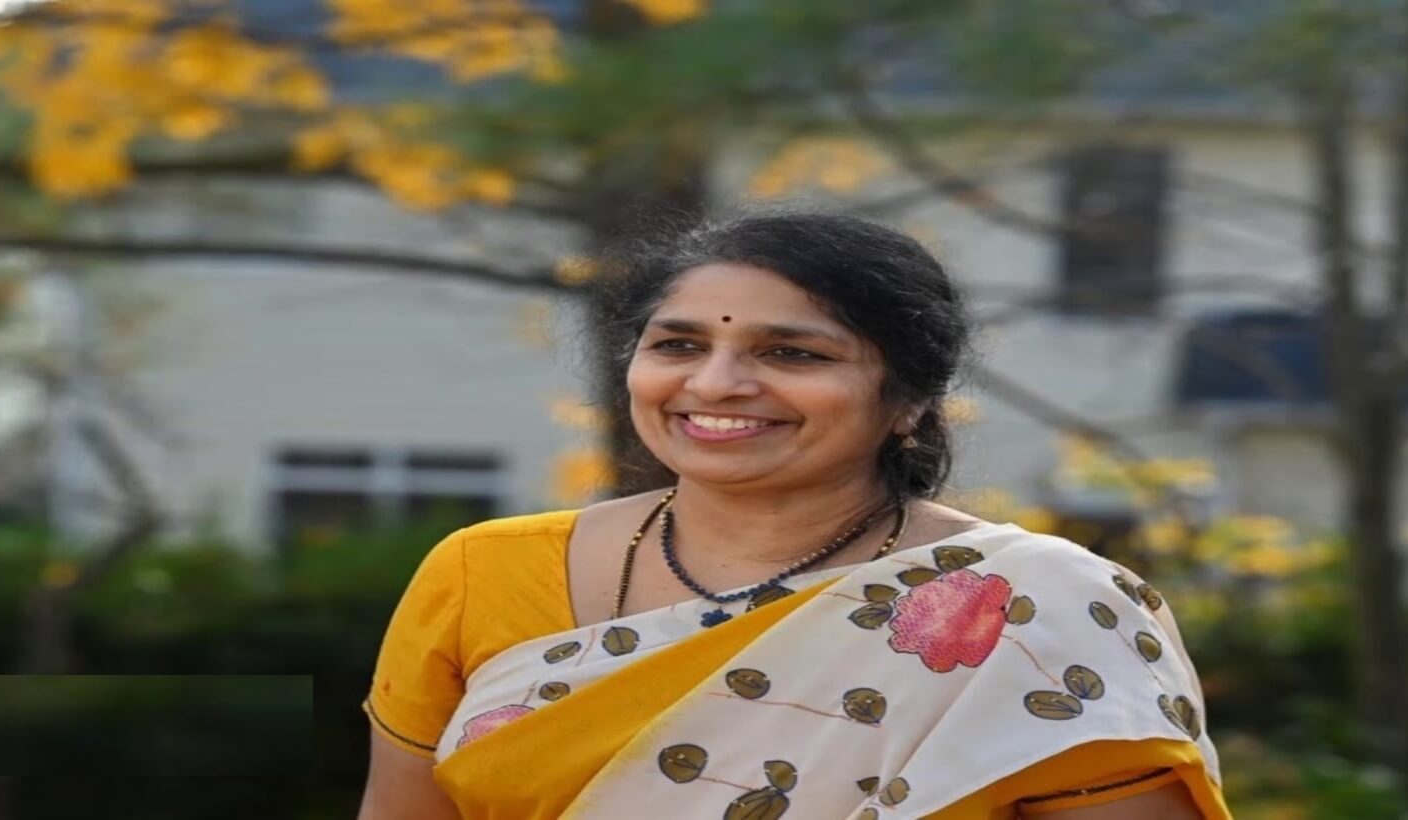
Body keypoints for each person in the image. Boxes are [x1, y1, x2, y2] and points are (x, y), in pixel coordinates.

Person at [357, 213, 1228, 820]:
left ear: (910, 402)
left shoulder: (1040, 605)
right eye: (680, 344)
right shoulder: (484, 573)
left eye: (790, 352)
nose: (716, 384)